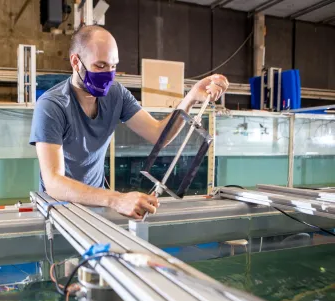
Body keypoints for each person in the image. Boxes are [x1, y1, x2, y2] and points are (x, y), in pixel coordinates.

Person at [29, 25, 228, 219]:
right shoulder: (52, 106)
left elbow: (159, 134)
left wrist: (191, 97)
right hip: (60, 210)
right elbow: (54, 183)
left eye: (113, 66)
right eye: (100, 66)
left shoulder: (116, 95)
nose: (108, 74)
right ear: (76, 62)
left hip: (98, 205)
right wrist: (116, 199)